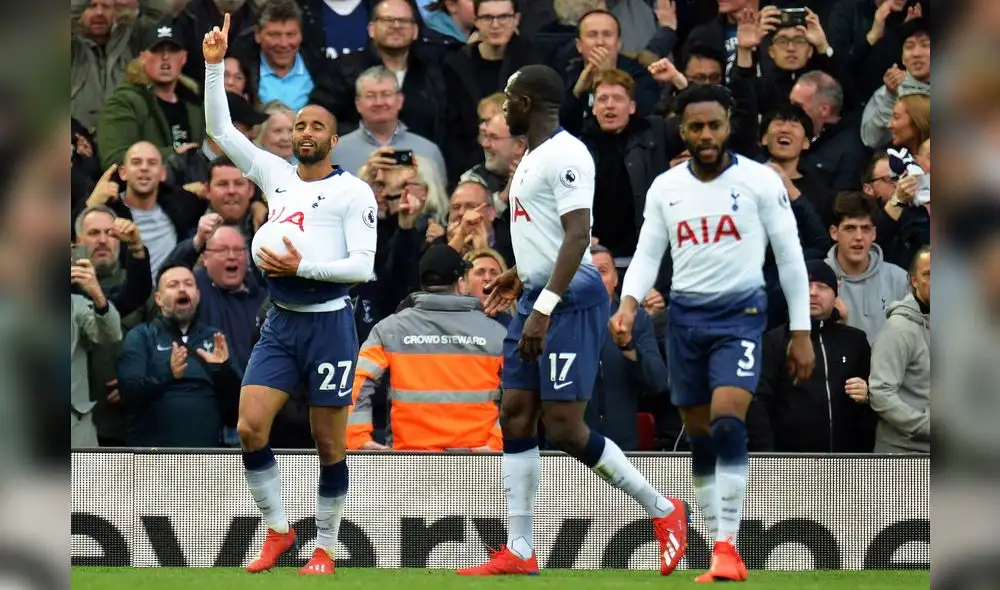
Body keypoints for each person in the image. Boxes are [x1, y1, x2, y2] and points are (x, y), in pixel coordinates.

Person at [457, 64, 688, 578]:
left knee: (563, 427)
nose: (503, 109)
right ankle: (519, 548)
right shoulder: (533, 155)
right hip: (536, 296)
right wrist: (519, 274)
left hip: (569, 302)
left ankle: (663, 508)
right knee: (515, 414)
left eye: (508, 100)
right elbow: (544, 234)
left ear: (528, 103)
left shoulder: (567, 154)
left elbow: (578, 235)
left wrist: (542, 308)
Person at [611, 84, 815, 582]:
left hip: (740, 316)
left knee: (727, 420)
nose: (706, 135)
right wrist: (628, 305)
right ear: (682, 130)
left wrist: (801, 330)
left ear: (729, 126)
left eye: (714, 125)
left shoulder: (760, 181)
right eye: (696, 127)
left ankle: (727, 546)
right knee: (700, 435)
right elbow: (647, 253)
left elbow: (790, 257)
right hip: (685, 320)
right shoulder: (666, 187)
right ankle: (715, 540)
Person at [202, 14, 379, 576]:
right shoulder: (275, 173)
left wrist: (305, 266)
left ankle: (325, 547)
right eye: (299, 124)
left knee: (330, 444)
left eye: (316, 126)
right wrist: (213, 67)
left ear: (333, 139)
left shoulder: (354, 192)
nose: (305, 132)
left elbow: (363, 267)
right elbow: (220, 131)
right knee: (250, 427)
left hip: (329, 324)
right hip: (280, 320)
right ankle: (279, 529)